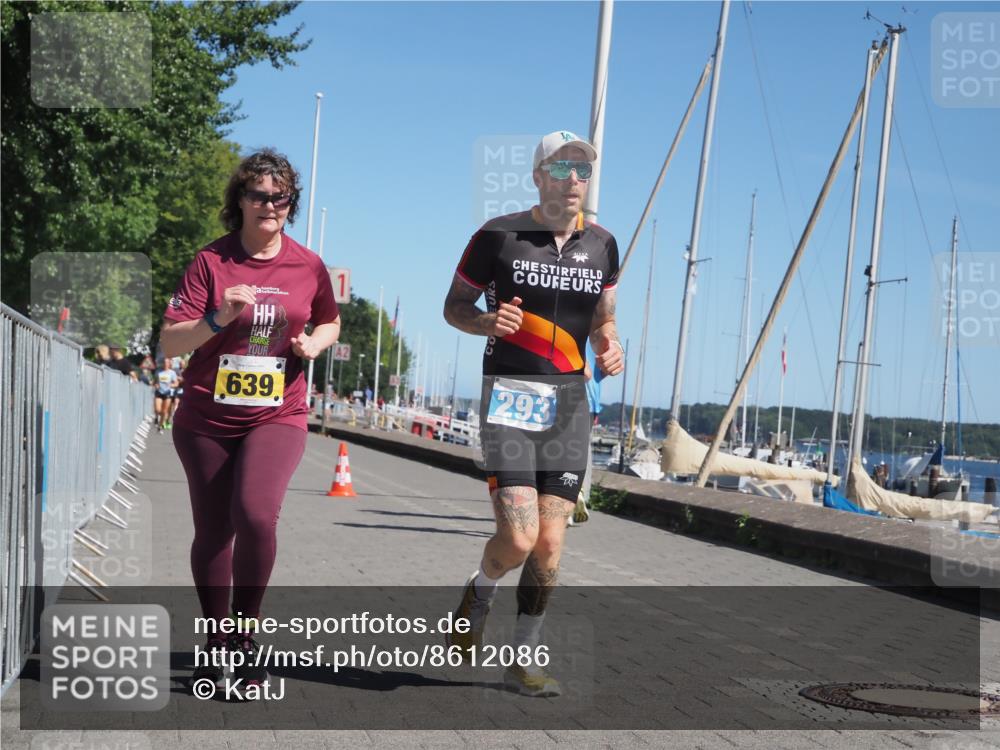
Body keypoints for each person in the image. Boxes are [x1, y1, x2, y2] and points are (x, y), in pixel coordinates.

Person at [442, 131, 623, 696]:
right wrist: (485, 323)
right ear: (538, 175)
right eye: (561, 167)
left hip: (569, 406)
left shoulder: (603, 245)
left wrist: (610, 345)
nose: (573, 179)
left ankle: (522, 661)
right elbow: (453, 307)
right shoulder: (498, 235)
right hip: (510, 399)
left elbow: (602, 317)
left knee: (550, 545)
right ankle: (479, 589)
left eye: (583, 171)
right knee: (518, 540)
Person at [159, 149, 341, 691]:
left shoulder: (308, 266)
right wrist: (218, 317)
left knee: (256, 514)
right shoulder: (211, 262)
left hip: (277, 412)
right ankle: (216, 643)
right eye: (259, 194)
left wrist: (314, 343)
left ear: (291, 204)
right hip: (206, 417)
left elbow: (331, 320)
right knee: (214, 531)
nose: (270, 205)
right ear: (238, 200)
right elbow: (169, 342)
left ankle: (244, 634)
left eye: (280, 196)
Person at [568, 341, 606, 526]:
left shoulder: (572, 323)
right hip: (592, 398)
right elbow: (605, 367)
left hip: (568, 392)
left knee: (557, 449)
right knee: (582, 449)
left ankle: (566, 498)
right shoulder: (601, 332)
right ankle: (579, 491)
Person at [153, 359, 178, 433]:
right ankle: (157, 417)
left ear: (169, 364)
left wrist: (171, 385)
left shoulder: (172, 373)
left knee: (164, 411)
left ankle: (160, 426)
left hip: (167, 393)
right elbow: (155, 382)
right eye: (164, 362)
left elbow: (176, 383)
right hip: (159, 392)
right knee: (158, 409)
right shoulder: (158, 372)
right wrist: (156, 385)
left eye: (167, 362)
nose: (165, 364)